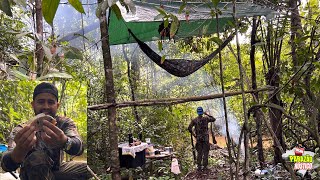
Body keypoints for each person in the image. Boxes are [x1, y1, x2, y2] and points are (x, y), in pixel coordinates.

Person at [1, 82, 91, 180]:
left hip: (57, 170)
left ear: (57, 105)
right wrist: (19, 151)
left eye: (51, 102)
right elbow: (5, 165)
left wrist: (64, 141)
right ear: (33, 104)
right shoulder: (22, 129)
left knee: (87, 169)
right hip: (32, 174)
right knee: (37, 157)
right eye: (41, 102)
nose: (46, 107)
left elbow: (79, 147)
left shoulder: (63, 123)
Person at [188, 106, 216, 171]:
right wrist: (206, 114)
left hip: (199, 139)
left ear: (197, 112)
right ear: (202, 112)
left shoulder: (194, 120)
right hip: (206, 139)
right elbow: (214, 119)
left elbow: (189, 128)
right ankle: (205, 167)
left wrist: (194, 135)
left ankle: (199, 167)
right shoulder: (206, 118)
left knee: (199, 153)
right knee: (206, 152)